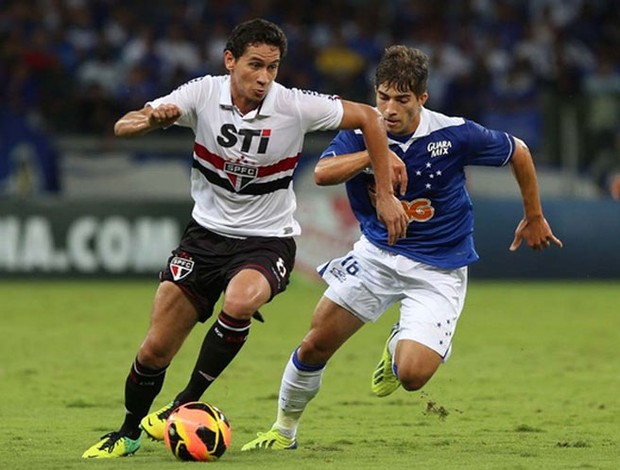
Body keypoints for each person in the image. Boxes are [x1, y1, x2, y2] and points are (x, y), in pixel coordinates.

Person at [81, 19, 409, 459]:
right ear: (230, 61)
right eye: (255, 65)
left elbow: (369, 117)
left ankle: (183, 403)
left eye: (272, 67)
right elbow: (125, 125)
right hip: (205, 237)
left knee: (239, 302)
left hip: (267, 240)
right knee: (155, 348)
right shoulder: (200, 93)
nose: (264, 77)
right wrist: (148, 121)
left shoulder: (293, 105)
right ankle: (127, 432)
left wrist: (384, 192)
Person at [241, 45, 563, 451]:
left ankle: (397, 343)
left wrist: (533, 215)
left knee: (412, 375)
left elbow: (519, 151)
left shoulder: (453, 134)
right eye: (383, 97)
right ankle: (283, 431)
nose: (389, 109)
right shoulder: (361, 131)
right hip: (376, 257)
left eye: (402, 100)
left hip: (438, 269)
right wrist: (375, 155)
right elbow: (322, 173)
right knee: (315, 342)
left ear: (422, 99)